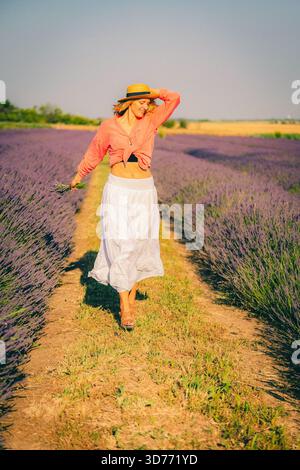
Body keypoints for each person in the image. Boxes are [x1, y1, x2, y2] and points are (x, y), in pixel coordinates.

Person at [70, 83, 181, 330]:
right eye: (140, 102)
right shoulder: (109, 126)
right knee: (120, 242)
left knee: (138, 243)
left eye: (147, 103)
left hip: (143, 190)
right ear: (128, 102)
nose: (145, 106)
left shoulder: (151, 120)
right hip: (118, 189)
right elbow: (95, 152)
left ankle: (128, 300)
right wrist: (80, 175)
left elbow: (174, 98)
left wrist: (151, 93)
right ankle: (126, 307)